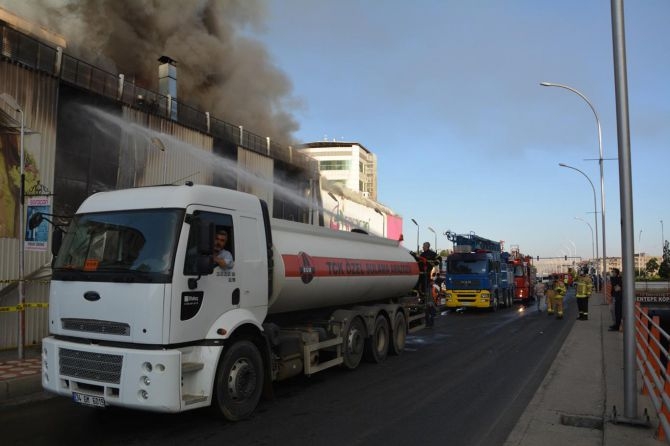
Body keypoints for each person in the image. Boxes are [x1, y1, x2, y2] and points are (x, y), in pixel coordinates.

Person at [419, 242, 438, 327]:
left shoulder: (432, 254)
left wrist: (432, 263)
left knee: (429, 302)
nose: (422, 247)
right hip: (423, 277)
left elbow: (439, 259)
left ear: (427, 246)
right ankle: (428, 320)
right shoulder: (422, 254)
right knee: (426, 299)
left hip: (427, 277)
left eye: (423, 246)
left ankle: (430, 320)